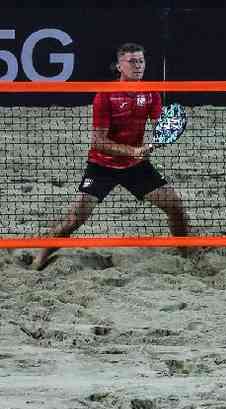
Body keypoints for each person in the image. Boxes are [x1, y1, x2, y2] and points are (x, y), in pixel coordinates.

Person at [32, 42, 190, 271]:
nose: (138, 66)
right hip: (102, 166)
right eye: (132, 61)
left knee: (174, 205)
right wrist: (133, 151)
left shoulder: (151, 93)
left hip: (136, 167)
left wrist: (156, 141)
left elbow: (159, 127)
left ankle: (187, 253)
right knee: (75, 219)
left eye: (141, 61)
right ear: (119, 66)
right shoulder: (105, 95)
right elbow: (99, 142)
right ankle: (40, 257)